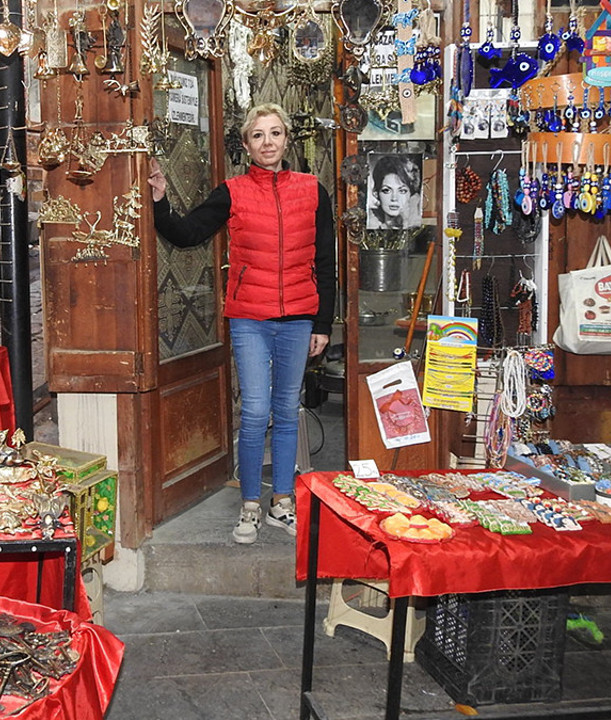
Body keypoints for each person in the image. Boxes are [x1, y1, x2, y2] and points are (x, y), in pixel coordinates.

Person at [148, 103, 336, 544]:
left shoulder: (313, 190)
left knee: (286, 410)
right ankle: (250, 504)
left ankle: (282, 503)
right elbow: (186, 232)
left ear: (287, 138)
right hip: (250, 319)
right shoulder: (231, 192)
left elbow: (325, 263)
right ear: (247, 144)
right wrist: (159, 200)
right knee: (255, 411)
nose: (267, 143)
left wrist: (322, 322)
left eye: (275, 133)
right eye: (258, 135)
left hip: (298, 319)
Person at [368, 154, 422, 230]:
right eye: (387, 190)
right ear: (376, 193)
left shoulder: (418, 225)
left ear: (410, 193)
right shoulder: (369, 223)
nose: (394, 198)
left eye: (402, 191)